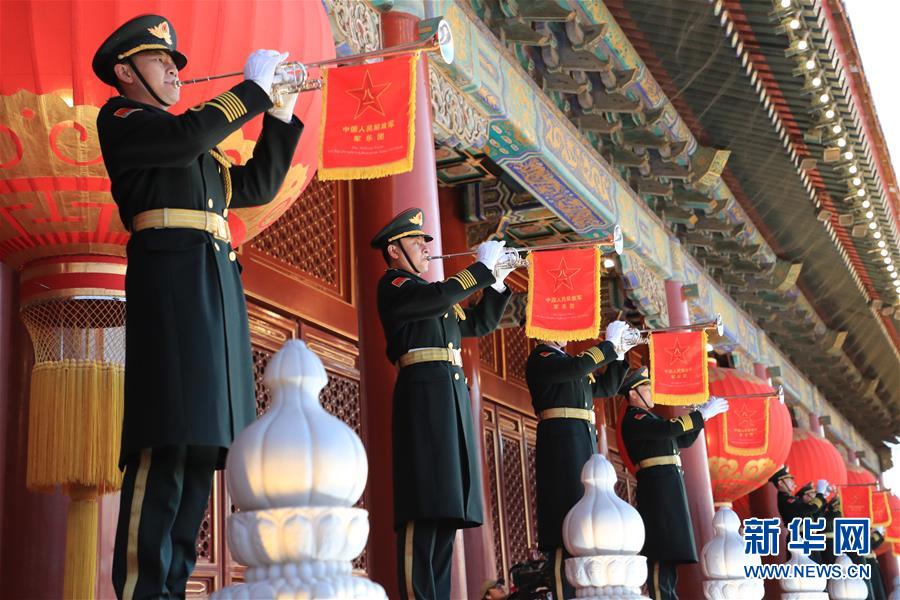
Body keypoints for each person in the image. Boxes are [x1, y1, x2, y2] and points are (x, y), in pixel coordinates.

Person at [93, 14, 303, 599]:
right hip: (172, 289)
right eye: (161, 61)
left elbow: (256, 186)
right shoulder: (127, 120)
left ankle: (173, 587)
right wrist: (252, 92)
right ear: (125, 72)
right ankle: (142, 591)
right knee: (164, 441)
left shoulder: (196, 149)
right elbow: (186, 135)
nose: (174, 71)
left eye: (176, 63)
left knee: (199, 448)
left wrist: (279, 113)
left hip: (213, 293)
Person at [370, 208, 513, 599]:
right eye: (417, 242)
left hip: (448, 401)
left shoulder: (434, 299)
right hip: (422, 399)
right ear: (394, 250)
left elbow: (478, 324)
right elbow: (440, 295)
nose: (425, 248)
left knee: (447, 510)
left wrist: (496, 283)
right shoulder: (396, 285)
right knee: (422, 508)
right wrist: (479, 270)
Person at [525, 320, 632, 599]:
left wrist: (619, 353)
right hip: (561, 446)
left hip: (580, 444)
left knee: (586, 523)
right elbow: (578, 367)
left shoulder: (567, 362)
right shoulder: (542, 358)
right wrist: (608, 345)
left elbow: (606, 388)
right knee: (565, 523)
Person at [619, 367, 729, 600]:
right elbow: (667, 429)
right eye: (646, 388)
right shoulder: (635, 418)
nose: (651, 392)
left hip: (668, 487)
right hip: (657, 489)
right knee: (661, 551)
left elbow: (683, 439)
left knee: (670, 553)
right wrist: (701, 415)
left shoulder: (651, 418)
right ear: (632, 393)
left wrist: (701, 416)